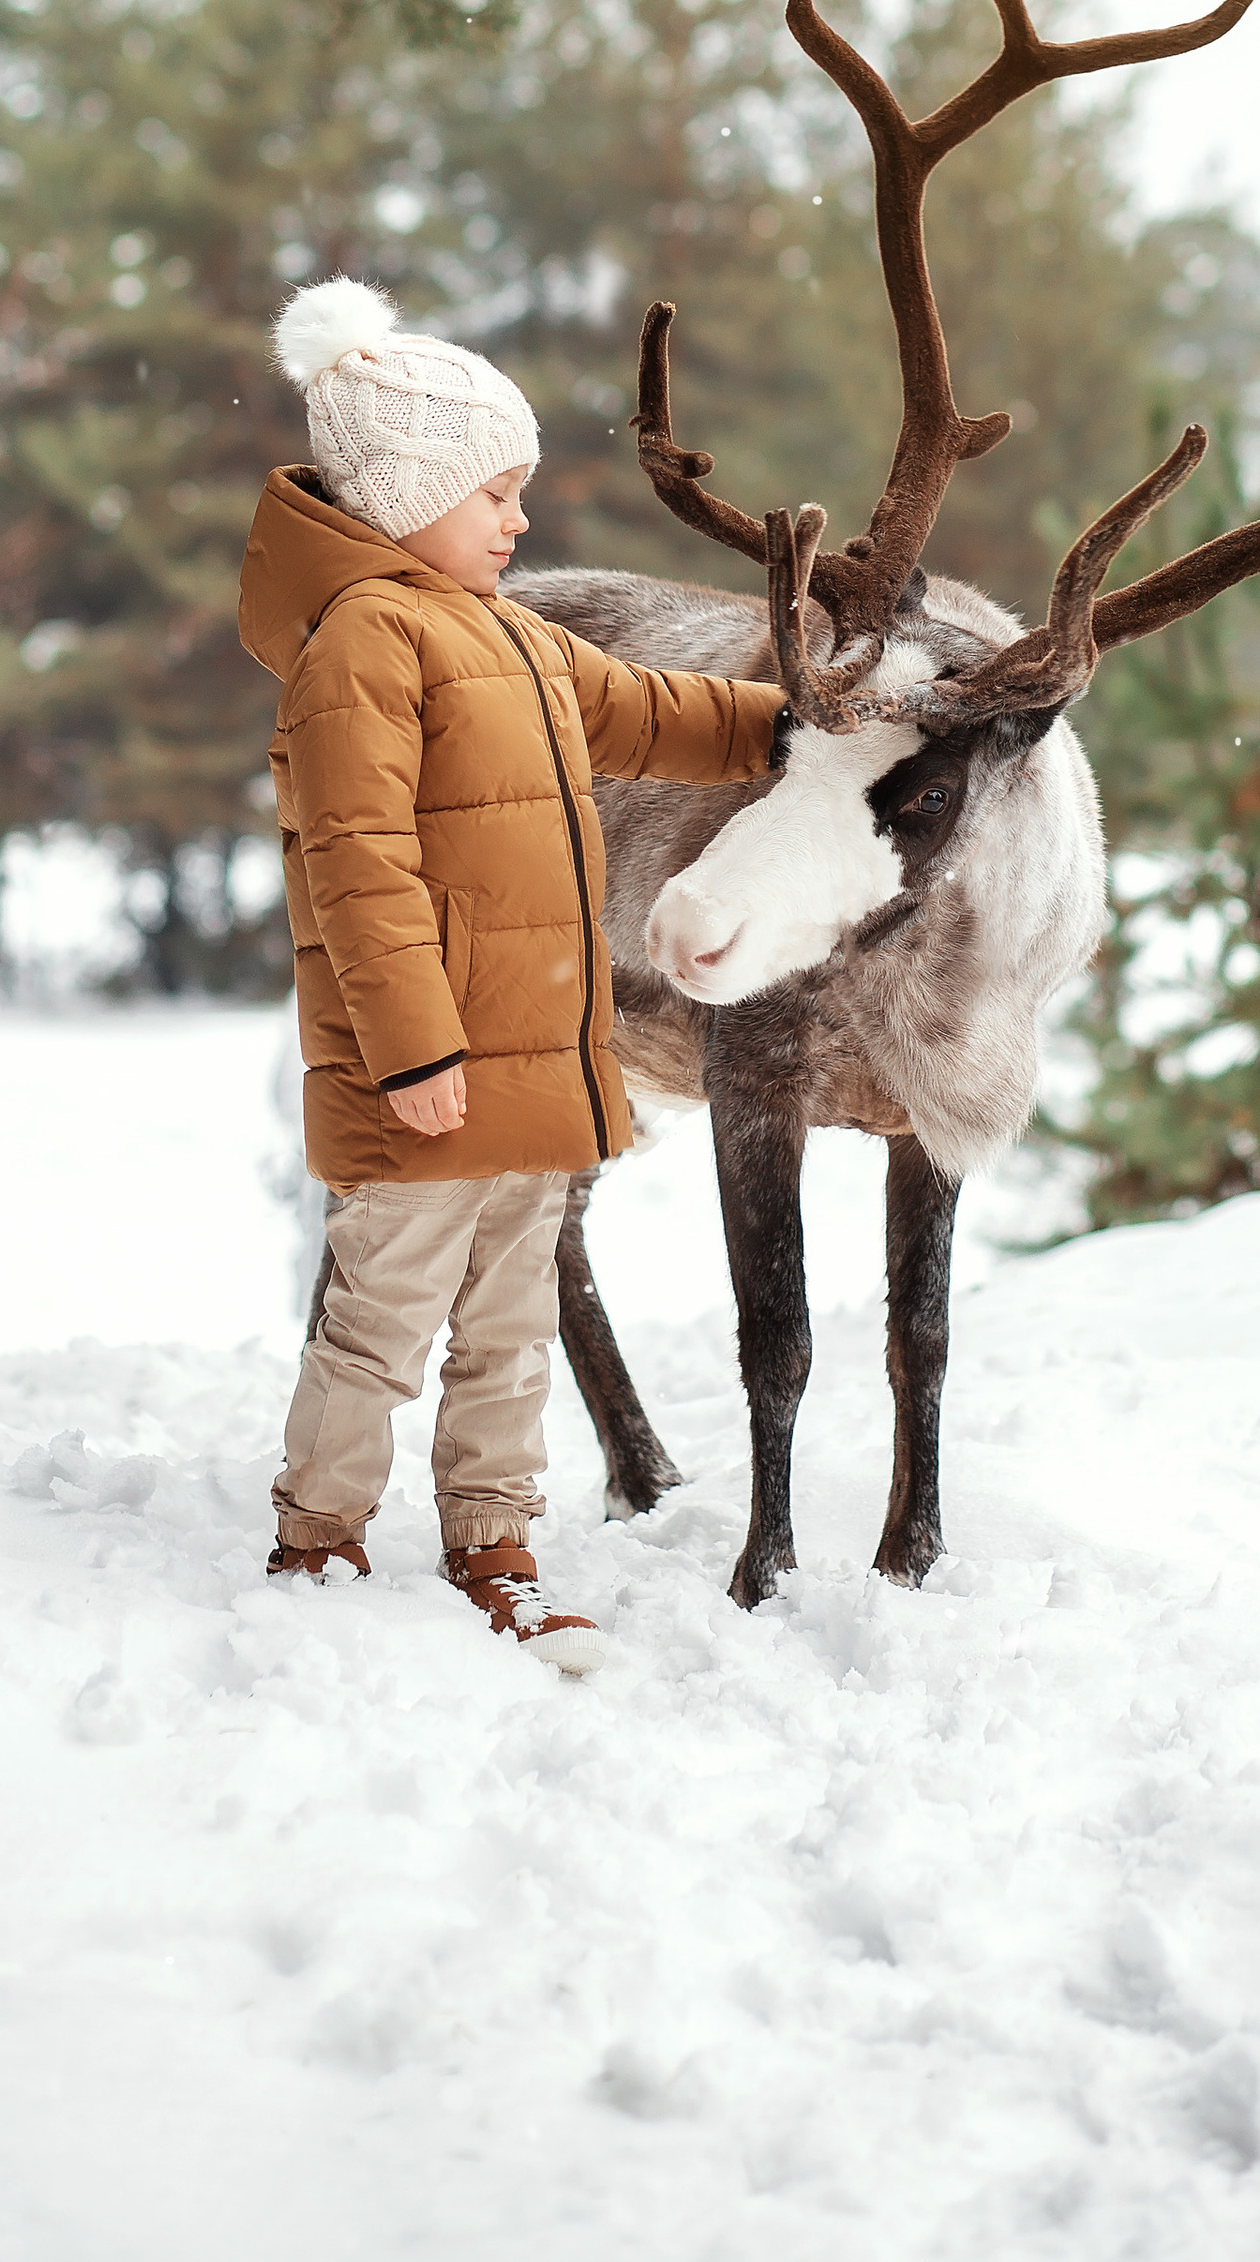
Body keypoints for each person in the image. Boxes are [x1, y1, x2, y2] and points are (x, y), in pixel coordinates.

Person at [239, 276, 783, 1669]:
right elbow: (357, 865)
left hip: (530, 1058)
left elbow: (652, 715)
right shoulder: (362, 647)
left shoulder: (509, 636)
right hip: (427, 1075)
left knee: (509, 1328)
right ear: (405, 495)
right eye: (496, 493)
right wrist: (415, 1055)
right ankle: (320, 1542)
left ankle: (494, 1543)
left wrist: (796, 728)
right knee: (383, 1324)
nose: (519, 521)